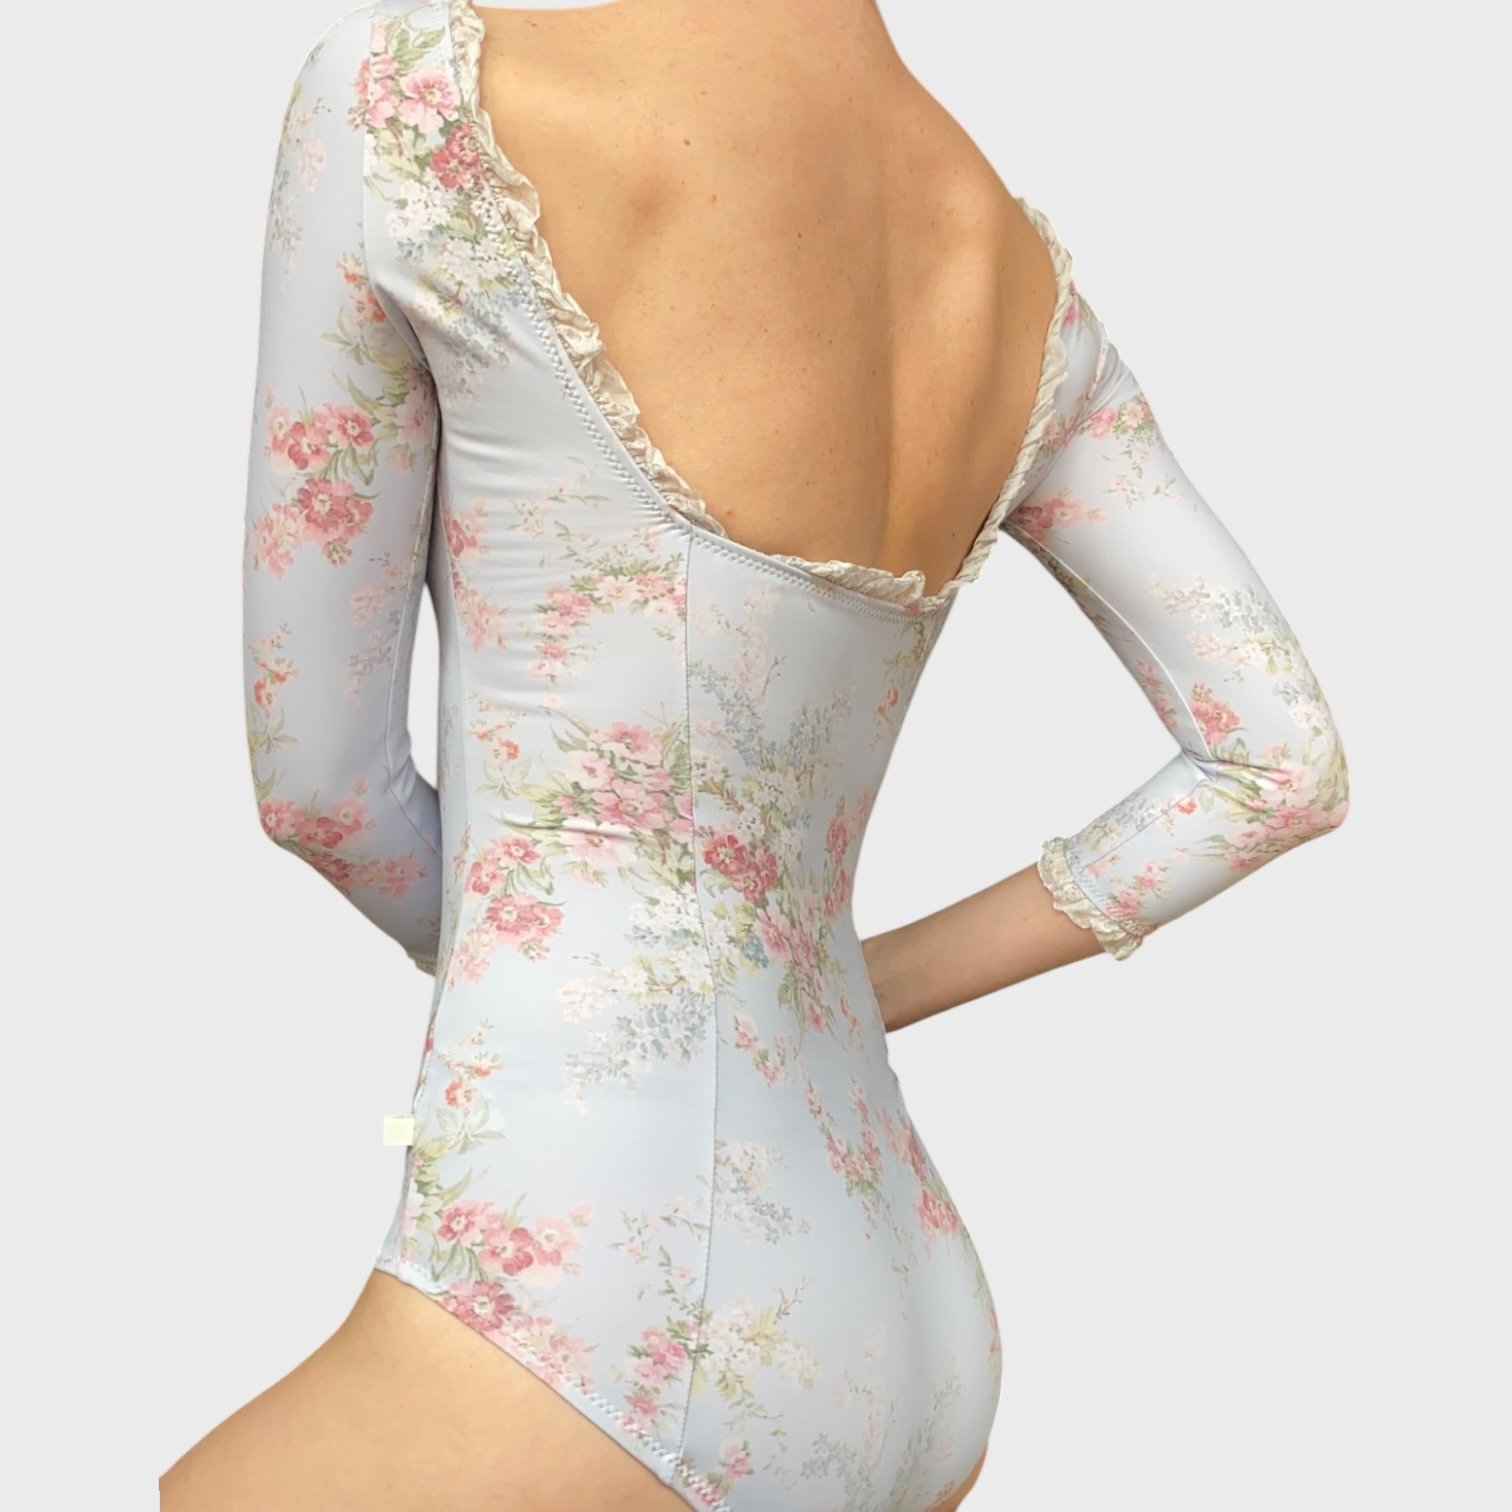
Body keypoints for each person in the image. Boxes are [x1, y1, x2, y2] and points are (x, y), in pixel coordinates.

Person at [162, 0, 1349, 1507]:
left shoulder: (412, 108)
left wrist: (586, 982)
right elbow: (1277, 763)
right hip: (915, 1319)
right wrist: (834, 987)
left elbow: (323, 795)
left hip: (596, 1287)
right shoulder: (1012, 272)